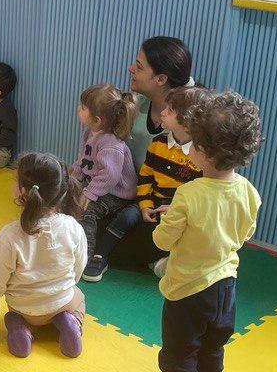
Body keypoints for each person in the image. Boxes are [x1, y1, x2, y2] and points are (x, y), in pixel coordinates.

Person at [145, 90, 263, 372]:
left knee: (181, 350)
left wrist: (168, 221)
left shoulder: (189, 194)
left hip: (188, 288)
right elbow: (245, 233)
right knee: (213, 345)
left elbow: (162, 240)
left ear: (203, 151)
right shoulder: (248, 190)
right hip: (226, 284)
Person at [0, 153, 88, 358]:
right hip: (60, 302)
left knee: (15, 313)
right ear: (62, 190)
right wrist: (64, 285)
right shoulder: (73, 227)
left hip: (23, 307)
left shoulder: (9, 235)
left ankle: (20, 326)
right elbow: (79, 266)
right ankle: (71, 321)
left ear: (22, 191)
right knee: (78, 296)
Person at [88, 84, 202, 282]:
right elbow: (146, 177)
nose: (162, 113)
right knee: (126, 216)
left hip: (177, 209)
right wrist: (145, 205)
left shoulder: (200, 155)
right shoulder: (158, 143)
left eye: (169, 110)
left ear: (186, 122)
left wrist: (176, 209)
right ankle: (100, 256)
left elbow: (199, 193)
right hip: (151, 201)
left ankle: (168, 262)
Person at [108, 36, 197, 270]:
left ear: (161, 79)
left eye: (138, 66)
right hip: (137, 197)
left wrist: (180, 208)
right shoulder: (136, 106)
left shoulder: (191, 120)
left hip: (171, 207)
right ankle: (159, 260)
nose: (130, 69)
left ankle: (171, 259)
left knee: (123, 248)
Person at [70, 83, 138, 280]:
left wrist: (88, 194)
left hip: (115, 193)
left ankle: (84, 257)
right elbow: (82, 161)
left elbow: (110, 177)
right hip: (97, 186)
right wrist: (73, 183)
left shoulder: (111, 144)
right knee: (65, 198)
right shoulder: (89, 133)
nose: (78, 108)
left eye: (83, 107)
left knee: (86, 211)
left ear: (97, 119)